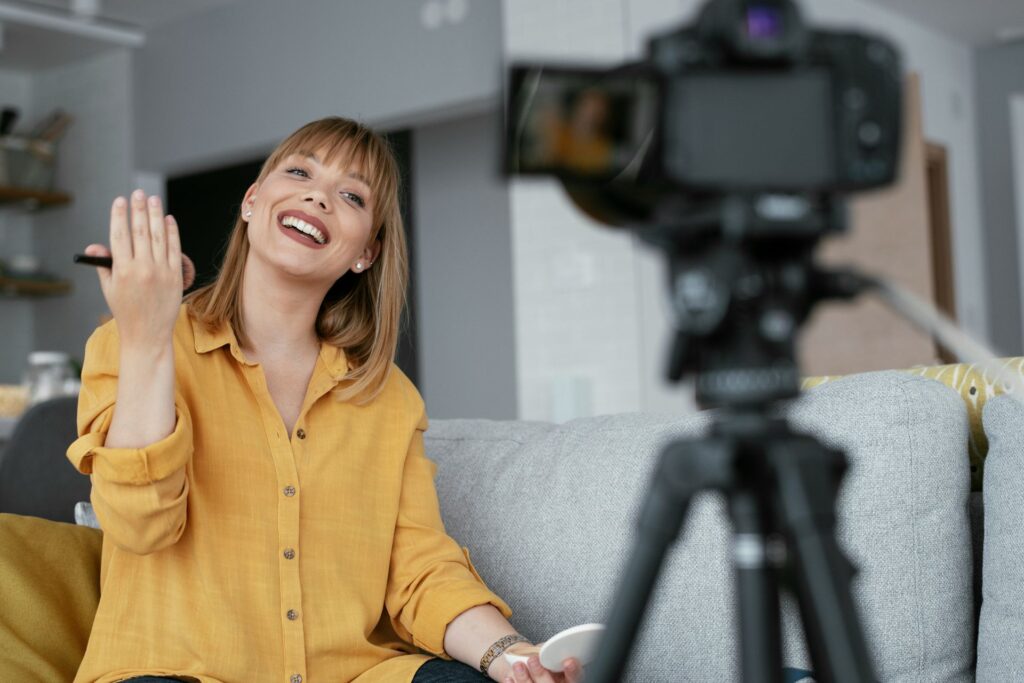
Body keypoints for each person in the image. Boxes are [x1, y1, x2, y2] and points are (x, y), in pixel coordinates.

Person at [67, 117, 585, 683]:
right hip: (175, 671)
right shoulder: (130, 344)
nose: (318, 194)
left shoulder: (387, 398)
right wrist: (147, 335)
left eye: (352, 195)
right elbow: (140, 526)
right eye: (299, 171)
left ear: (366, 251)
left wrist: (513, 658)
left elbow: (420, 571)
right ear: (252, 201)